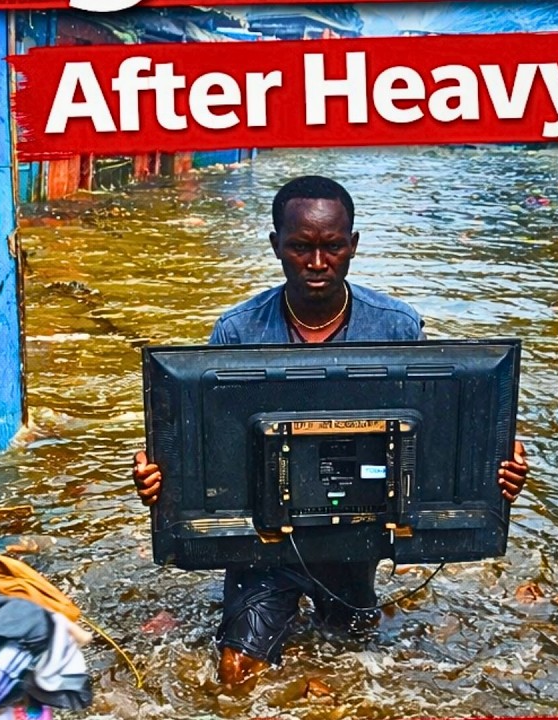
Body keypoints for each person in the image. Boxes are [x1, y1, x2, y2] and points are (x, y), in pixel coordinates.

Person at [132, 175, 530, 686]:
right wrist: (158, 473)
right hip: (264, 540)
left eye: (332, 247)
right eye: (300, 247)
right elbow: (202, 440)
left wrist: (494, 458)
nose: (317, 263)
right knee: (235, 674)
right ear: (276, 245)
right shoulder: (237, 331)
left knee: (355, 668)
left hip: (356, 534)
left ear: (353, 246)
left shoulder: (396, 327)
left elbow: (435, 429)